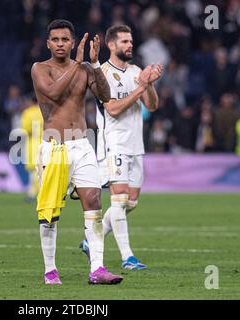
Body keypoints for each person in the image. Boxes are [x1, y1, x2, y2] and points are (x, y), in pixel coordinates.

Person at [31, 19, 122, 285]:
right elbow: (54, 93)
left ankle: (97, 269)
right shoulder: (40, 69)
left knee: (93, 201)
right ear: (48, 43)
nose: (60, 44)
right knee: (50, 213)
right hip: (54, 147)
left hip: (82, 145)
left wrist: (93, 65)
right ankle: (50, 270)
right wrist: (77, 65)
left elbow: (106, 97)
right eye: (55, 39)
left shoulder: (84, 68)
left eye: (65, 39)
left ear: (72, 42)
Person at [80, 25, 162, 270]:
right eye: (124, 41)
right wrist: (140, 87)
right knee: (119, 200)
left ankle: (90, 240)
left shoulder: (136, 71)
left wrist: (149, 84)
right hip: (113, 144)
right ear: (111, 45)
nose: (130, 45)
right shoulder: (102, 72)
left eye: (131, 41)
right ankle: (128, 257)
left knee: (131, 202)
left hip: (136, 145)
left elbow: (153, 105)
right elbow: (113, 109)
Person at [20, 96, 43, 200]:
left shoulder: (28, 113)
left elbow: (25, 129)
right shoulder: (45, 110)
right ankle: (40, 191)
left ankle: (33, 193)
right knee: (42, 168)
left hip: (32, 143)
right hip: (46, 141)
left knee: (34, 169)